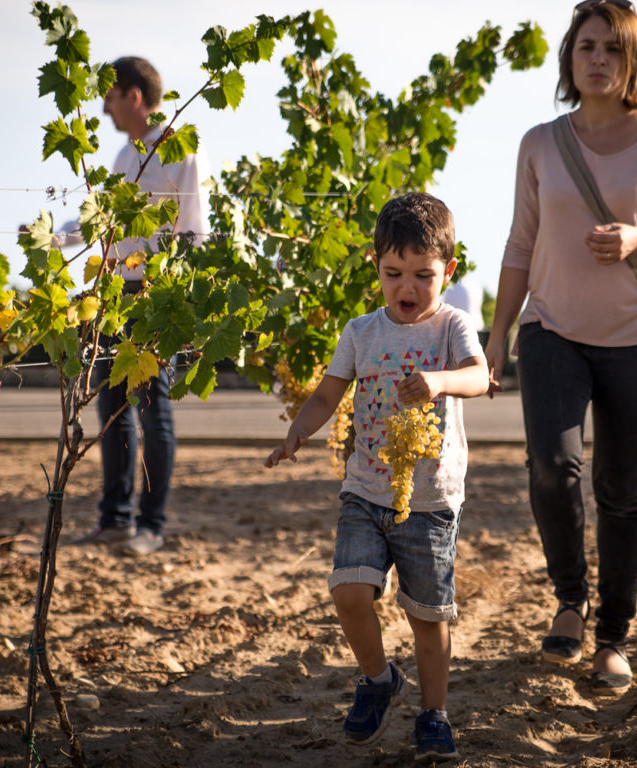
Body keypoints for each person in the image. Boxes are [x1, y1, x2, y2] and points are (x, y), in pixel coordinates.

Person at [484, 0, 637, 696]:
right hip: (550, 329)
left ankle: (613, 637)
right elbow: (520, 243)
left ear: (631, 59)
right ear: (569, 58)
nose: (598, 58)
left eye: (612, 48)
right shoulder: (540, 142)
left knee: (622, 489)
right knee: (552, 467)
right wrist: (496, 337)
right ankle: (570, 601)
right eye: (586, 47)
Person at [265, 192, 489, 761]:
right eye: (393, 274)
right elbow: (327, 394)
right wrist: (299, 432)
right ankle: (378, 678)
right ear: (376, 266)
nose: (407, 288)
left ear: (448, 270)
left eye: (422, 275)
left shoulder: (451, 328)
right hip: (364, 489)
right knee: (348, 591)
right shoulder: (362, 332)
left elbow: (479, 376)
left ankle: (433, 714)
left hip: (430, 500)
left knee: (427, 617)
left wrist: (438, 382)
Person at [70, 56, 211, 556]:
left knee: (152, 412)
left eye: (109, 96)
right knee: (111, 409)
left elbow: (194, 232)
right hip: (115, 297)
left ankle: (152, 526)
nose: (104, 107)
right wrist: (55, 237)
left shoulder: (180, 150)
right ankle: (116, 521)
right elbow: (102, 225)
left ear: (132, 95)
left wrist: (164, 280)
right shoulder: (123, 159)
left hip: (155, 298)